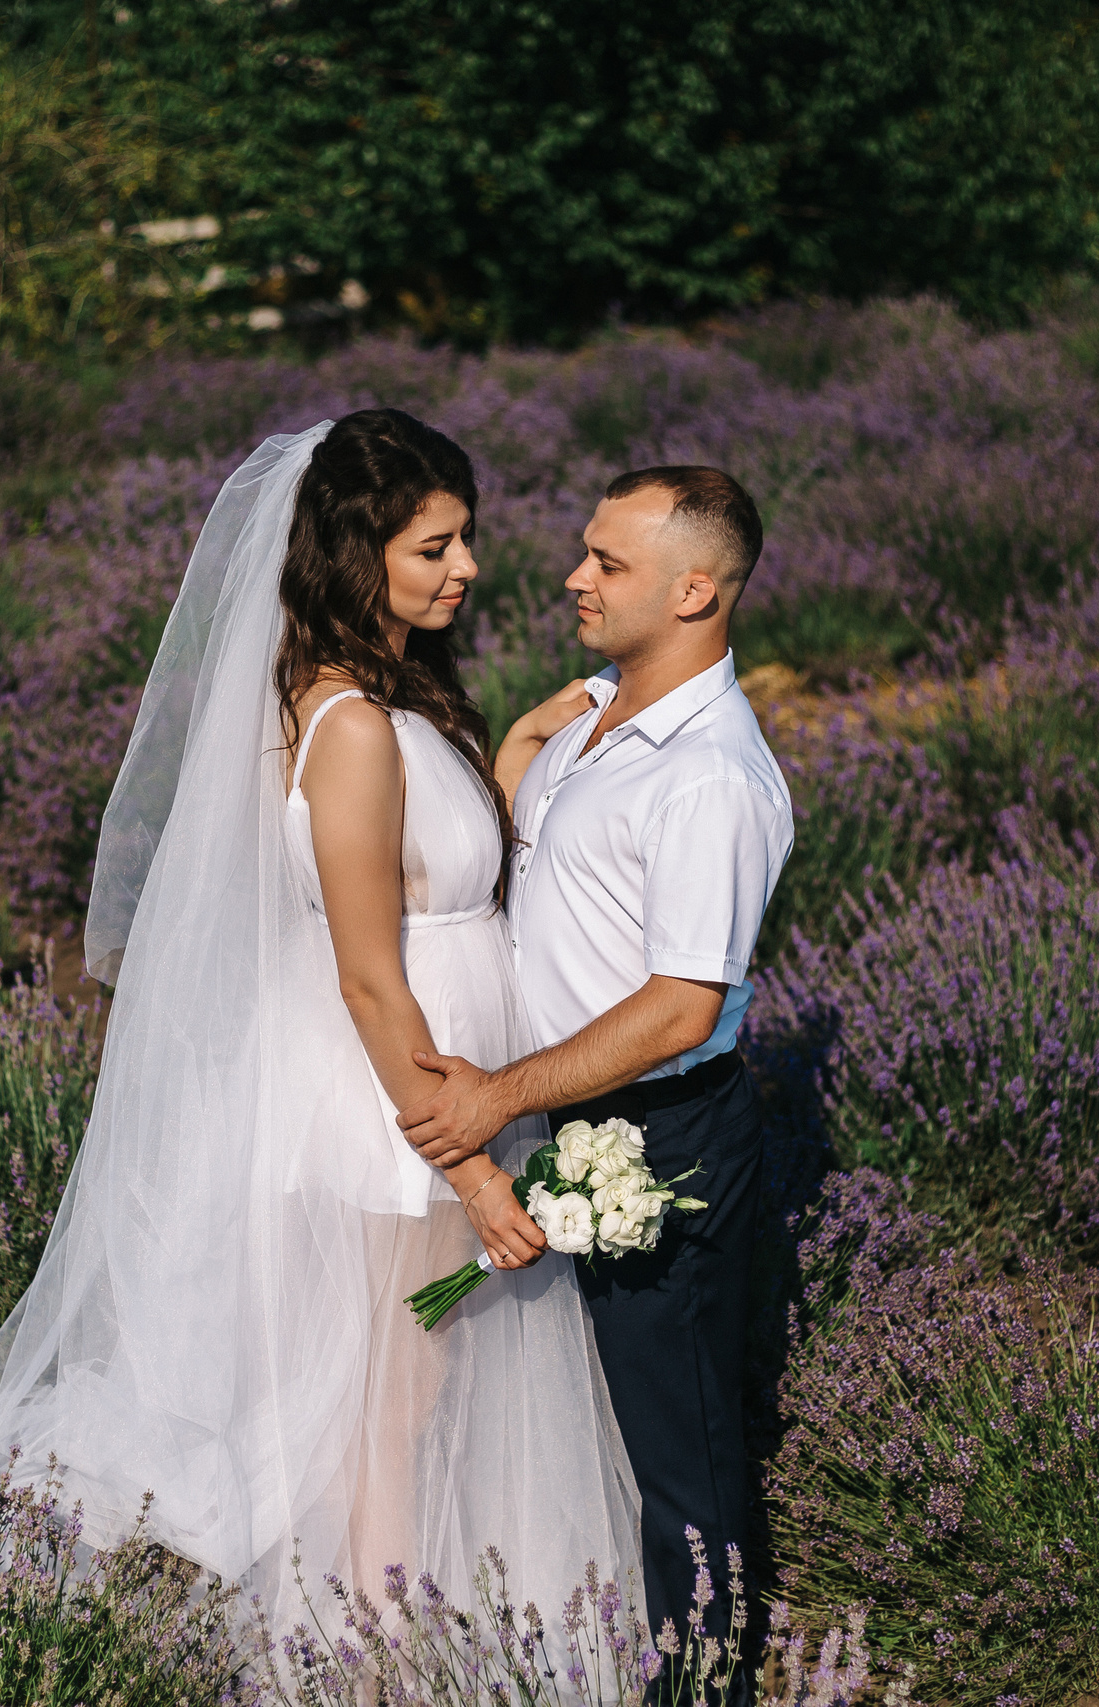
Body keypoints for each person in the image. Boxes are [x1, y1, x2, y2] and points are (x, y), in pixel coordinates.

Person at [0, 411, 641, 1641]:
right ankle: (369, 1643)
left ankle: (376, 1623)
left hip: (426, 1097)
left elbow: (441, 860)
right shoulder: (356, 727)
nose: (466, 566)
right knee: (393, 1399)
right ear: (352, 553)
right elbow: (372, 979)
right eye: (433, 546)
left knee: (403, 1386)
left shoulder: (388, 701)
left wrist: (524, 742)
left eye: (465, 537)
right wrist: (473, 1167)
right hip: (397, 1112)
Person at [396, 465, 795, 1654]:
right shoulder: (593, 714)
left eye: (607, 563)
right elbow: (537, 885)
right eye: (584, 550)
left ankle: (705, 1683)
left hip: (655, 1136)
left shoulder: (710, 775)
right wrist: (516, 746)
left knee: (683, 1458)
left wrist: (496, 1097)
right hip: (551, 1119)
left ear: (695, 592)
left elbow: (680, 1007)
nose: (573, 575)